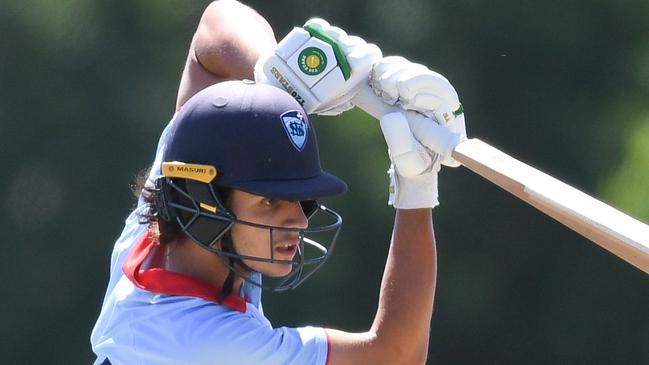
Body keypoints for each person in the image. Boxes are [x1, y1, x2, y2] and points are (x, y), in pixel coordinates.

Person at [90, 1, 466, 364]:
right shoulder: (201, 344)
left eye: (300, 201)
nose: (300, 222)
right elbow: (394, 356)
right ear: (204, 201)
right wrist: (417, 187)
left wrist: (278, 79)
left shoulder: (174, 209)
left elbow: (217, 25)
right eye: (270, 202)